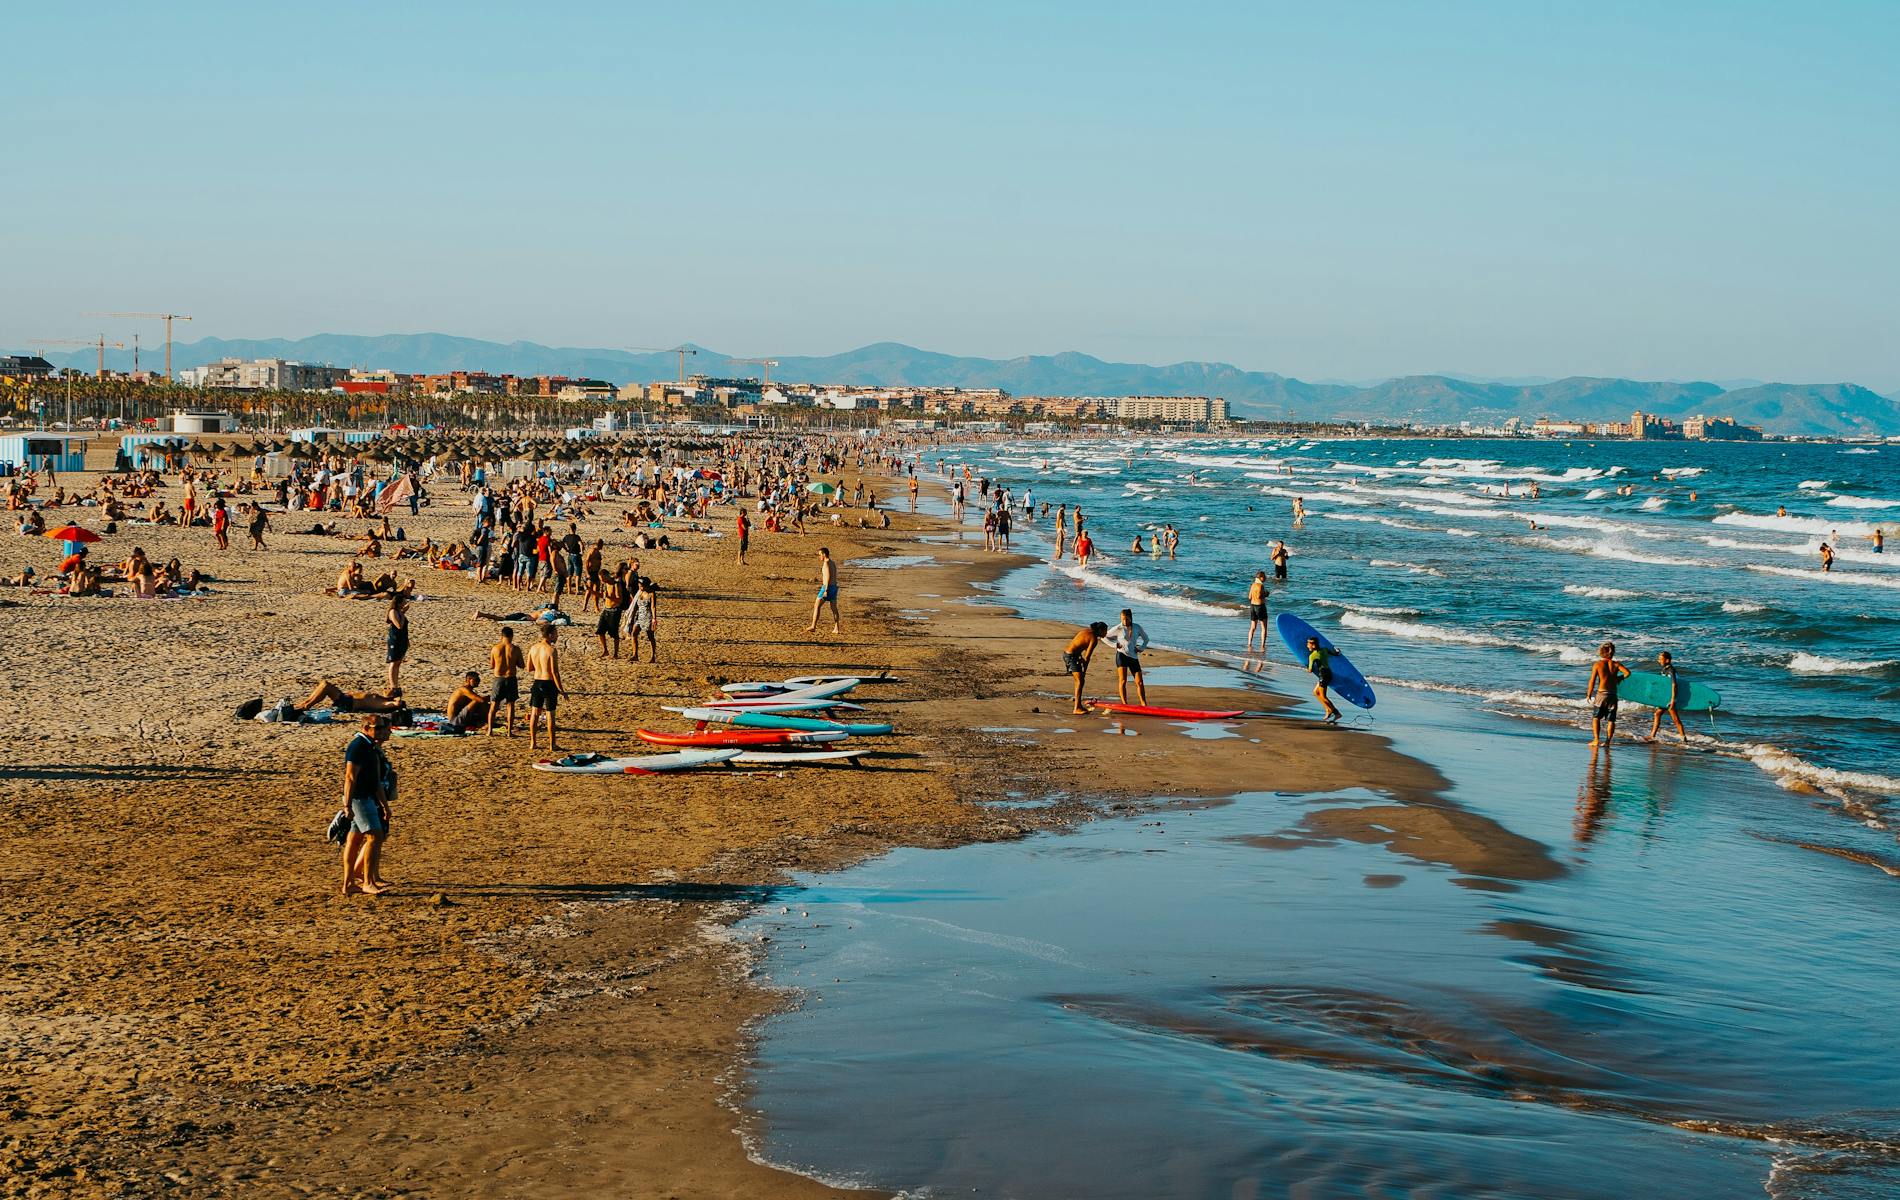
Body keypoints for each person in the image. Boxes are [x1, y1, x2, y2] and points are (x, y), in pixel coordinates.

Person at [340, 715, 393, 896]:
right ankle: (367, 882)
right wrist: (347, 805)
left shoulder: (370, 747)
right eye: (376, 728)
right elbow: (350, 777)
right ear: (366, 727)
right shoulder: (358, 746)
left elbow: (376, 781)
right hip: (359, 799)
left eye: (381, 728)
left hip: (368, 797)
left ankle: (349, 884)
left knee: (354, 841)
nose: (380, 731)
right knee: (375, 837)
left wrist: (384, 806)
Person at [525, 622, 567, 752]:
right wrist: (561, 690)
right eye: (555, 634)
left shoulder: (533, 648)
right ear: (549, 635)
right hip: (548, 683)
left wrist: (540, 666)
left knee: (534, 714)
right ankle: (552, 744)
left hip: (537, 682)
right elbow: (555, 672)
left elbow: (529, 668)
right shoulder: (551, 650)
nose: (557, 636)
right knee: (550, 715)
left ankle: (533, 742)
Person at [1586, 641, 1631, 747]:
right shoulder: (1616, 664)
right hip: (1613, 695)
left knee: (1596, 718)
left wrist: (1589, 694)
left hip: (1602, 694)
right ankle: (1607, 742)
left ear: (1602, 652)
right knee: (1611, 720)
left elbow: (1592, 681)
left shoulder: (1598, 664)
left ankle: (1596, 740)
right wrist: (1619, 678)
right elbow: (1628, 673)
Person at [1102, 608, 1149, 706]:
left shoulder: (1137, 627)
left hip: (1133, 657)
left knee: (1139, 682)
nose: (1124, 621)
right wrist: (1114, 645)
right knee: (1123, 680)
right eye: (1122, 619)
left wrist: (1141, 648)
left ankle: (1144, 704)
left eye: (1126, 619)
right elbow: (1104, 637)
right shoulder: (1118, 628)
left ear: (1130, 618)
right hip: (1121, 655)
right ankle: (1124, 704)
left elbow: (1146, 639)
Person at [1063, 621, 1109, 715]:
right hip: (1071, 656)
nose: (1106, 633)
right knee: (1080, 681)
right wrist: (1084, 670)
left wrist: (1081, 661)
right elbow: (1087, 657)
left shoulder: (1086, 631)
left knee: (1080, 681)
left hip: (1069, 654)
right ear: (1100, 630)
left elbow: (1078, 645)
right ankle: (1076, 708)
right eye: (1105, 631)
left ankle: (1078, 706)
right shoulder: (1094, 639)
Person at [1645, 650, 1688, 745]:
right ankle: (1652, 736)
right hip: (1666, 698)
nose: (1659, 661)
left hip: (1671, 698)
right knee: (1657, 714)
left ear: (1667, 660)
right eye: (1659, 659)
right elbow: (1664, 685)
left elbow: (1674, 684)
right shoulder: (1664, 669)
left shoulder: (1671, 670)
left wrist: (1673, 700)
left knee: (1675, 718)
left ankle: (1683, 738)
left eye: (1661, 659)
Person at [487, 626, 524, 735]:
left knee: (494, 705)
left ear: (501, 636)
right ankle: (509, 731)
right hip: (511, 678)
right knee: (510, 705)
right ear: (512, 636)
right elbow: (521, 665)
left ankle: (489, 730)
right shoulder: (516, 649)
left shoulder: (495, 648)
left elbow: (492, 665)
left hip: (498, 678)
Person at [1304, 636, 1342, 725]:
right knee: (1315, 693)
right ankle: (1328, 710)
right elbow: (1335, 654)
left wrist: (1307, 667)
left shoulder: (1312, 656)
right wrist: (1338, 651)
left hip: (1323, 676)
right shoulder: (1324, 649)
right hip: (1328, 673)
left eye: (1308, 644)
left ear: (1313, 645)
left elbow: (1310, 670)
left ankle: (1336, 713)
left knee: (1323, 696)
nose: (1307, 646)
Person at [806, 546, 841, 634]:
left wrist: (825, 590)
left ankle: (813, 626)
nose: (819, 557)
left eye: (820, 555)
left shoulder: (826, 563)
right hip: (834, 587)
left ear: (824, 554)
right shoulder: (832, 563)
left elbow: (828, 577)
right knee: (834, 608)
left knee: (817, 606)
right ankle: (836, 627)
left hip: (827, 587)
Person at [628, 577, 660, 662]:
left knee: (650, 637)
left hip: (648, 617)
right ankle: (635, 655)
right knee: (634, 633)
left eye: (641, 586)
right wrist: (632, 617)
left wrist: (654, 619)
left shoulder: (651, 594)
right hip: (640, 616)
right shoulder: (640, 592)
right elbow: (635, 606)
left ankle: (653, 656)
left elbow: (653, 607)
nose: (640, 587)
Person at [385, 592, 411, 692]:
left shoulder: (399, 611)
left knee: (398, 662)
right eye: (404, 601)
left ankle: (395, 684)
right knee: (393, 662)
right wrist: (403, 613)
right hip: (395, 638)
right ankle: (393, 685)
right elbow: (399, 626)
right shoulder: (393, 611)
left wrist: (407, 640)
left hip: (402, 638)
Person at [1246, 570, 1270, 653]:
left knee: (1252, 627)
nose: (1266, 578)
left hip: (1252, 606)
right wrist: (1266, 594)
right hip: (1260, 607)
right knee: (1264, 627)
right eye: (1264, 576)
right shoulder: (1260, 586)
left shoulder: (1253, 585)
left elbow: (1249, 597)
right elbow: (1260, 595)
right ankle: (1262, 645)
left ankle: (1249, 643)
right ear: (1261, 577)